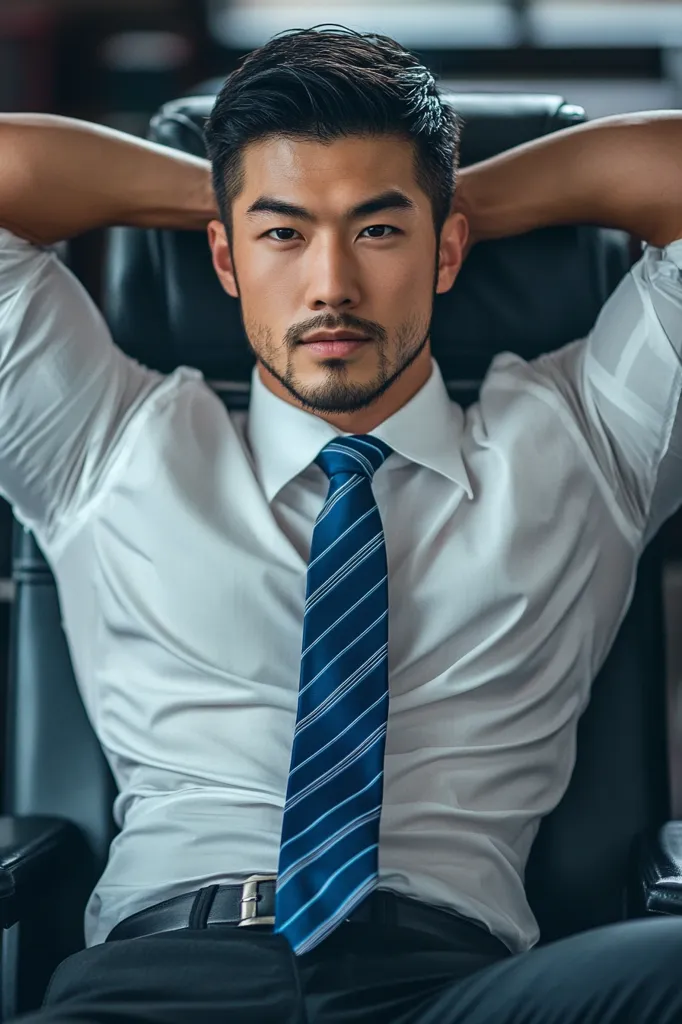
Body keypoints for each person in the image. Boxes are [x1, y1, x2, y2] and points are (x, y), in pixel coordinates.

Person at [2, 21, 682, 1024]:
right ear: (224, 261)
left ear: (446, 249)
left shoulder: (585, 447)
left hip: (452, 988)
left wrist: (444, 196)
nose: (332, 285)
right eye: (284, 236)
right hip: (156, 987)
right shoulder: (110, 447)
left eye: (377, 231)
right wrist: (238, 191)